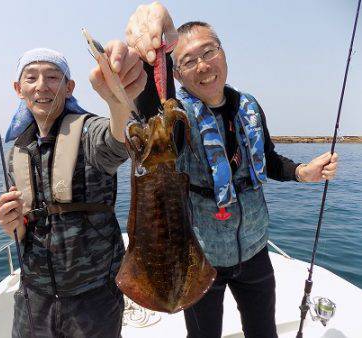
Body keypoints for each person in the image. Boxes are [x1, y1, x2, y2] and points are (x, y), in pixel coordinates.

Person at [126, 2, 339, 337]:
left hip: (255, 250)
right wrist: (153, 43)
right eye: (188, 60)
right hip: (201, 257)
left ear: (223, 53)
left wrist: (302, 172)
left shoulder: (249, 106)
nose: (202, 65)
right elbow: (153, 112)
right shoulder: (177, 116)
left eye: (209, 51)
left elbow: (266, 159)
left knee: (263, 332)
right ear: (178, 73)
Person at [0, 44, 146, 338]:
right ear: (18, 88)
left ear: (68, 87)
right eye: (31, 78)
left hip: (93, 297)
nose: (42, 86)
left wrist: (118, 101)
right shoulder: (17, 152)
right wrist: (10, 224)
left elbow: (118, 141)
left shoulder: (90, 131)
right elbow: (22, 227)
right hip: (33, 295)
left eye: (53, 77)